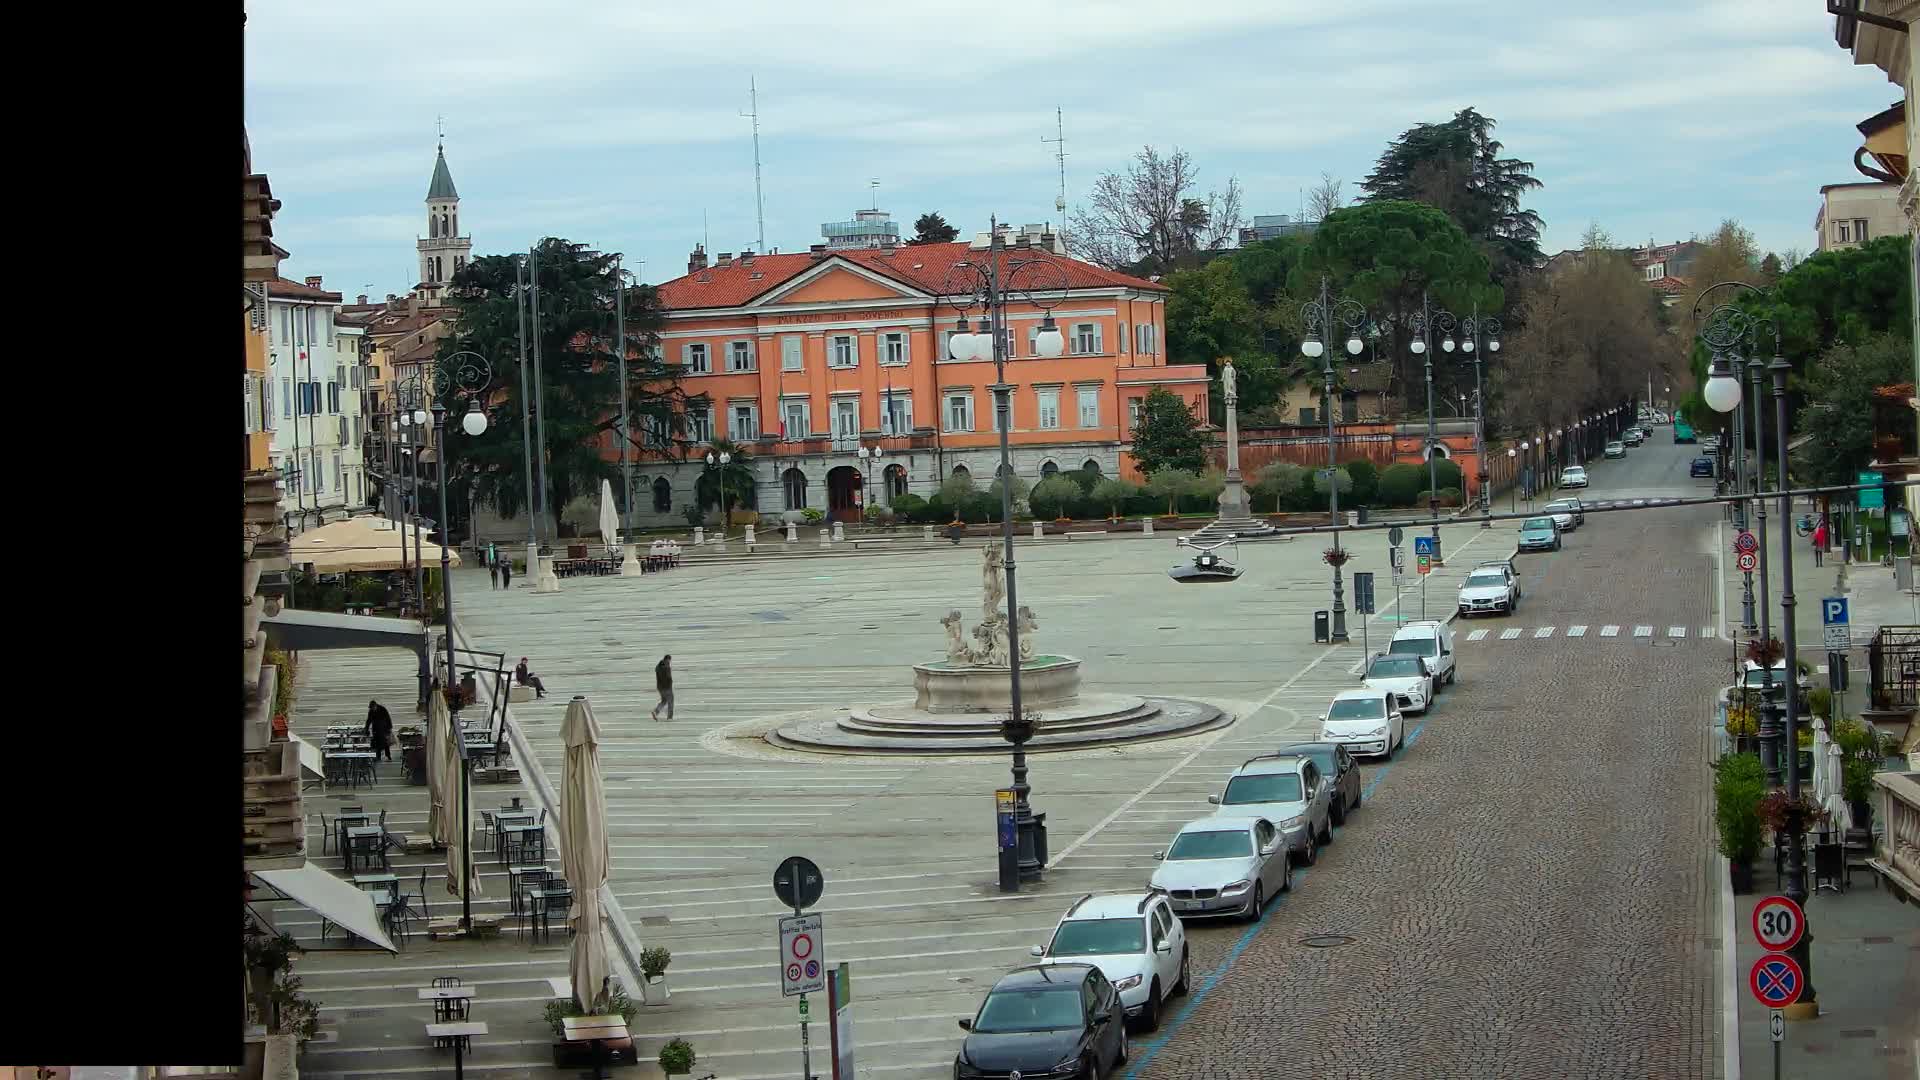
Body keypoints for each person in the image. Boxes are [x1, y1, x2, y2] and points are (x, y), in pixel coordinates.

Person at [651, 654, 674, 721]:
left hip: (660, 687)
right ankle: (670, 717)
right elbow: (668, 677)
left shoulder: (658, 667)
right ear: (668, 659)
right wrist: (670, 682)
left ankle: (656, 711)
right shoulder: (667, 667)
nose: (669, 661)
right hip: (667, 687)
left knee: (664, 700)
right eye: (669, 660)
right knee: (671, 701)